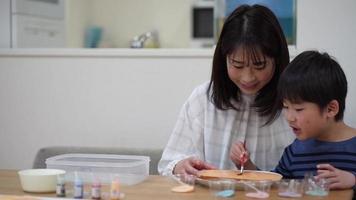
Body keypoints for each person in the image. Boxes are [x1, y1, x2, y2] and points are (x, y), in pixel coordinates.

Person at [158, 4, 295, 176]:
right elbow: (168, 164)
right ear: (224, 60)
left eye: (259, 65)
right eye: (237, 64)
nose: (248, 77)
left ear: (277, 59)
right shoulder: (203, 99)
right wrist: (180, 166)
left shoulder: (293, 104)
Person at [272, 50, 356, 189]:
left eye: (298, 109)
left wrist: (353, 180)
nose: (289, 117)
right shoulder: (295, 150)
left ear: (331, 109)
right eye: (286, 107)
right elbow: (274, 188)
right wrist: (247, 166)